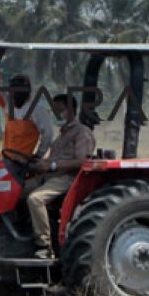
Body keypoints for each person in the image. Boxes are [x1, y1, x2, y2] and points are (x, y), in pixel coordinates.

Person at [25, 93, 96, 258]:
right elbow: (53, 158)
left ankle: (44, 246)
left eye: (60, 110)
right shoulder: (63, 133)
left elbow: (81, 161)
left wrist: (52, 165)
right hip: (50, 176)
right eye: (54, 110)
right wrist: (37, 163)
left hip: (67, 178)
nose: (57, 114)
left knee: (35, 199)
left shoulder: (82, 132)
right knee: (14, 191)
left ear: (71, 110)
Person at [0, 64, 54, 159]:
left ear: (28, 90)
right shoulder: (7, 104)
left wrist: (38, 155)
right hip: (5, 159)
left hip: (22, 163)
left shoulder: (37, 111)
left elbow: (49, 134)